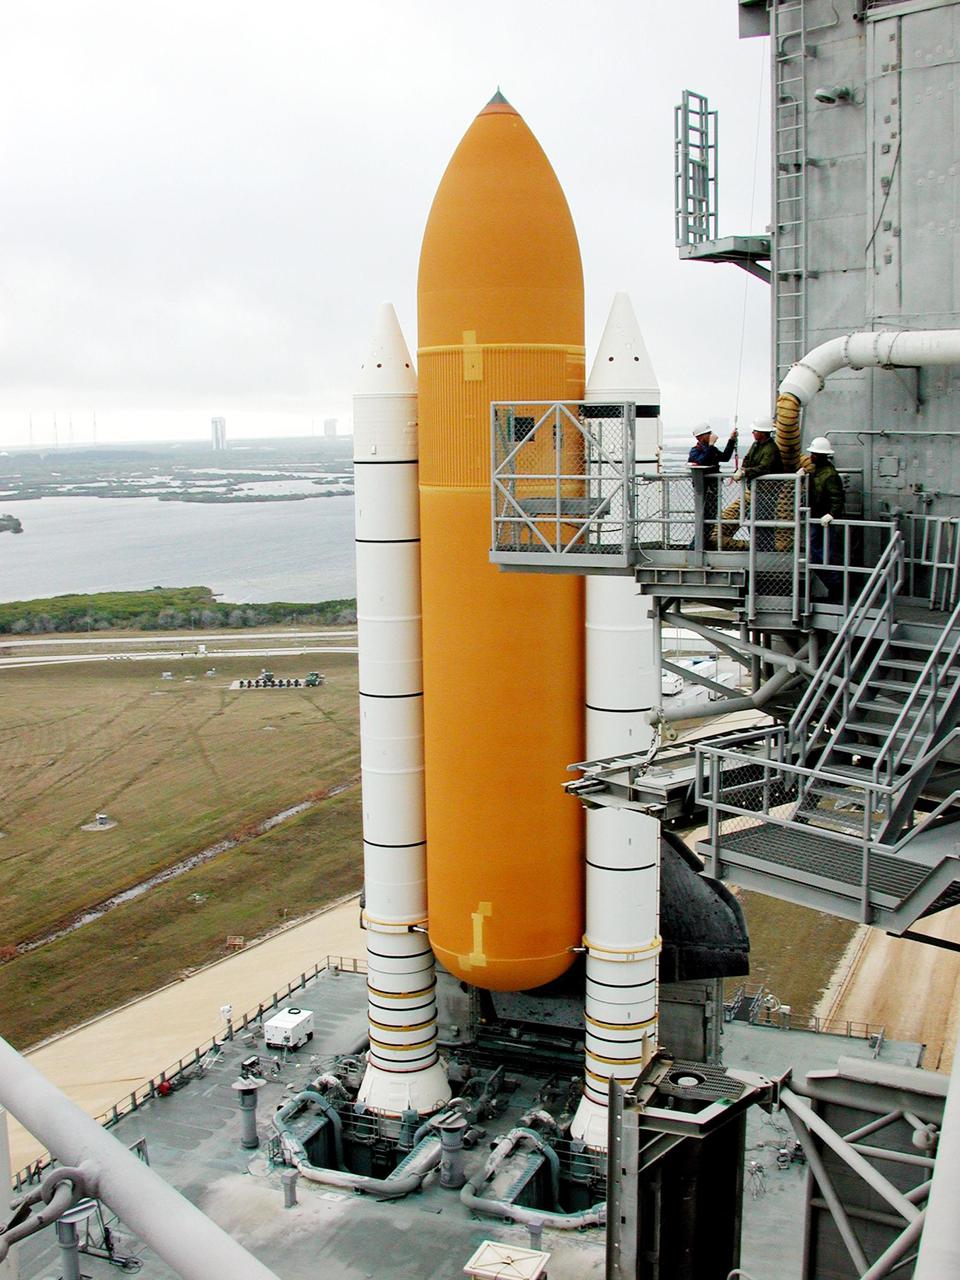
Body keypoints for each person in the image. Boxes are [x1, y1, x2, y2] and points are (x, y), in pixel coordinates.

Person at [716, 418, 783, 548]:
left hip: (767, 491)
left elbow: (765, 467)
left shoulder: (770, 449)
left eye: (755, 431)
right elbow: (748, 459)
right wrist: (742, 469)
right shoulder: (756, 445)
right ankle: (760, 546)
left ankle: (764, 548)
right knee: (754, 518)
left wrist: (745, 472)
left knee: (762, 519)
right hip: (757, 490)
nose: (753, 432)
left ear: (763, 433)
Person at [803, 436, 845, 603]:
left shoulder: (830, 475)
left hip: (823, 520)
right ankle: (833, 588)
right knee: (817, 554)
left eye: (813, 453)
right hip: (816, 518)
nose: (810, 456)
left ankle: (836, 588)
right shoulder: (818, 471)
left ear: (820, 455)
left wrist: (831, 514)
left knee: (823, 555)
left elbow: (838, 498)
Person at [688, 423, 737, 544]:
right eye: (708, 434)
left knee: (711, 518)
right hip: (703, 489)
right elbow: (702, 461)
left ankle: (702, 543)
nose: (711, 435)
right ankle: (696, 545)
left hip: (712, 489)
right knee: (704, 518)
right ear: (700, 437)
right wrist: (710, 445)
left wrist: (731, 441)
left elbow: (724, 457)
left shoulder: (711, 449)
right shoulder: (695, 451)